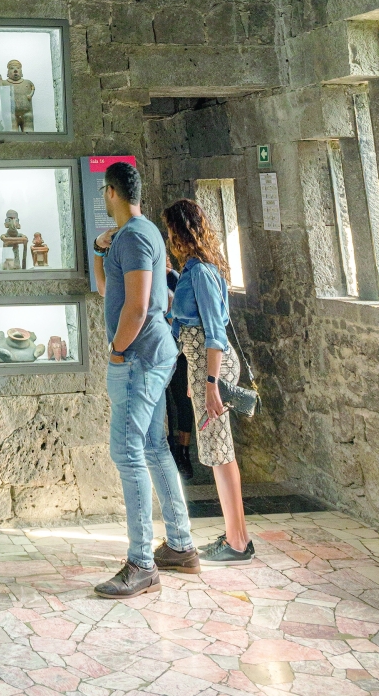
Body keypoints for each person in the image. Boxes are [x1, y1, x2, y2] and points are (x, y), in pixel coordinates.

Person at [92, 162, 199, 597]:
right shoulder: (140, 233)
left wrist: (118, 351)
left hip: (138, 357)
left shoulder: (134, 237)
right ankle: (180, 545)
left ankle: (141, 564)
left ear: (109, 192)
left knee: (127, 451)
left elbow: (136, 308)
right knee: (154, 448)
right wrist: (100, 248)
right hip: (151, 355)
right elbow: (105, 290)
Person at [163, 198, 254, 562]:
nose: (169, 237)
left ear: (181, 232)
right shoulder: (197, 269)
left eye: (171, 231)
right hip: (202, 365)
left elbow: (214, 334)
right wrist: (196, 378)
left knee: (220, 454)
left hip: (211, 364)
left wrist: (210, 382)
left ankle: (237, 543)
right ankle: (237, 536)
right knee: (220, 453)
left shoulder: (199, 272)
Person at [165, 256, 195, 482]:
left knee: (182, 400)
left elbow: (180, 313)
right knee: (165, 402)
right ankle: (169, 449)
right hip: (161, 350)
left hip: (179, 351)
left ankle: (183, 454)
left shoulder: (174, 279)